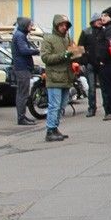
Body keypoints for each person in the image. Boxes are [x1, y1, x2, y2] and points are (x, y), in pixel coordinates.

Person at [39, 14, 77, 142]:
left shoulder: (67, 38)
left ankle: (55, 128)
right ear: (56, 26)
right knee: (54, 105)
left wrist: (78, 54)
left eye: (65, 25)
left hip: (66, 77)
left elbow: (75, 53)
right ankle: (50, 130)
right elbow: (45, 58)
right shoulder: (48, 39)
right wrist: (64, 55)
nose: (64, 27)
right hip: (54, 77)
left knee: (62, 105)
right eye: (61, 25)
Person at [76, 12, 104, 117]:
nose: (100, 22)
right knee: (91, 88)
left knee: (104, 87)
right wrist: (81, 62)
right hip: (90, 63)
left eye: (101, 20)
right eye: (98, 20)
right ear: (93, 21)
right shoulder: (86, 32)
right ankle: (92, 108)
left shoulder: (104, 32)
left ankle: (106, 108)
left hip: (101, 63)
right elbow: (79, 47)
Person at [12, 16, 37, 126]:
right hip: (22, 68)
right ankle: (21, 118)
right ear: (25, 26)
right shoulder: (20, 36)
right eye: (30, 25)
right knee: (23, 93)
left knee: (22, 93)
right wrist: (36, 51)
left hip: (22, 67)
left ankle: (22, 116)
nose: (31, 27)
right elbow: (23, 50)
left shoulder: (20, 35)